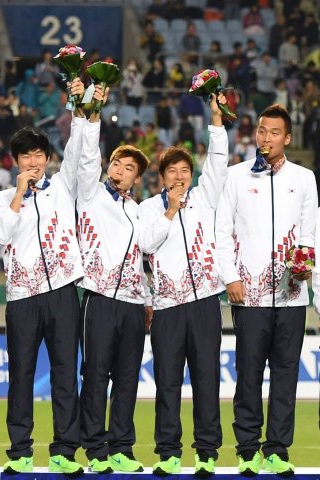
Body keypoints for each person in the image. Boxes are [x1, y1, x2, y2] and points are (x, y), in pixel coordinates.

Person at [0, 79, 87, 475]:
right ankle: (20, 452)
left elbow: (79, 152)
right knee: (19, 376)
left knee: (65, 375)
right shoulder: (4, 199)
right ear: (15, 161)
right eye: (26, 156)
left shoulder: (64, 188)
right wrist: (19, 194)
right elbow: (0, 234)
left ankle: (64, 452)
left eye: (39, 155)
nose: (33, 162)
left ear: (48, 158)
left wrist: (79, 104)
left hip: (63, 293)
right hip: (21, 298)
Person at [216, 104, 318, 477]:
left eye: (274, 132)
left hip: (291, 296)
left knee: (286, 375)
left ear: (287, 138)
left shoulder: (304, 178)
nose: (266, 137)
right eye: (261, 130)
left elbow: (308, 233)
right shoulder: (235, 176)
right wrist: (230, 277)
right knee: (248, 373)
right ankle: (247, 450)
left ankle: (276, 449)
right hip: (249, 294)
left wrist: (305, 265)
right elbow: (221, 233)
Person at [138, 93, 229, 476]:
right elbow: (145, 245)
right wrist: (170, 210)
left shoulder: (207, 199)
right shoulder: (146, 209)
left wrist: (217, 123)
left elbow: (220, 164)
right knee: (168, 384)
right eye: (172, 171)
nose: (179, 177)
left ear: (192, 176)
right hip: (167, 308)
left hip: (206, 301)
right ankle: (169, 453)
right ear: (161, 177)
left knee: (207, 380)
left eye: (184, 171)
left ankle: (207, 453)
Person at [75, 90, 151, 473]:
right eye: (118, 164)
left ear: (137, 178)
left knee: (126, 379)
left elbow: (142, 261)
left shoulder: (139, 211)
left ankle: (122, 446)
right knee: (95, 375)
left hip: (134, 304)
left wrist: (149, 299)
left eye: (129, 168)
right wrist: (94, 115)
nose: (121, 170)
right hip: (99, 298)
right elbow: (87, 156)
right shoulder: (89, 195)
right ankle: (95, 448)